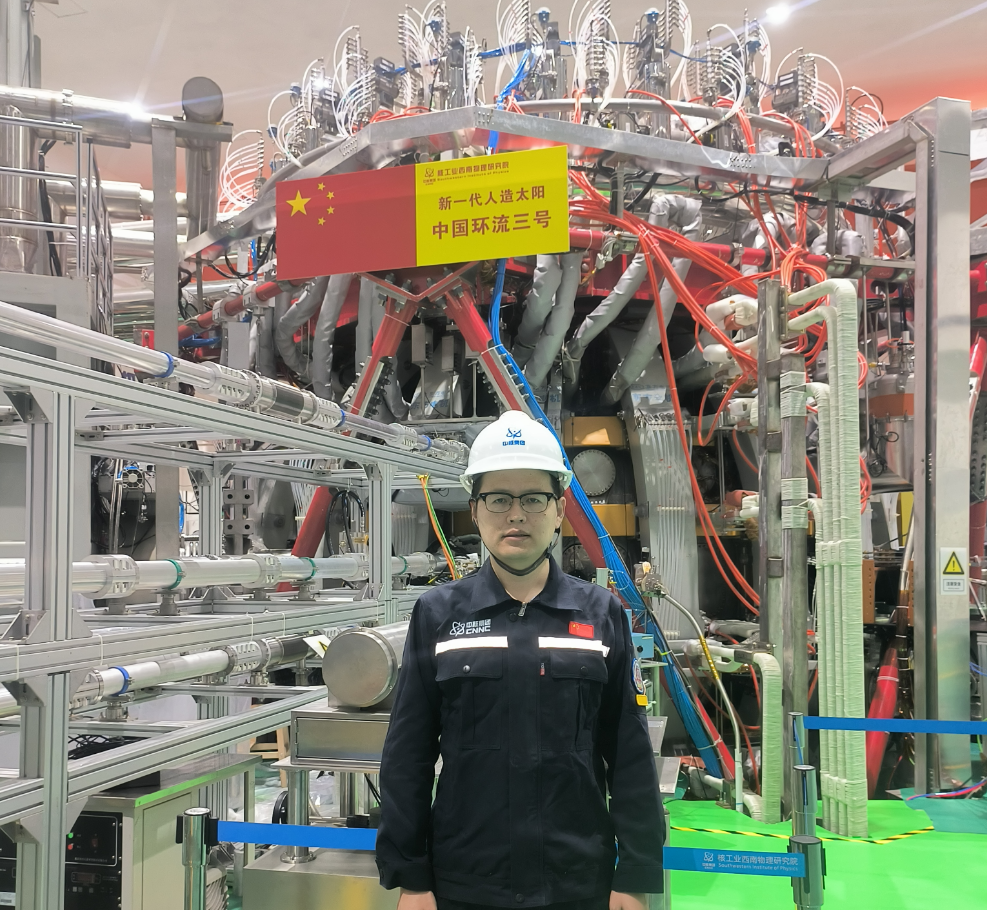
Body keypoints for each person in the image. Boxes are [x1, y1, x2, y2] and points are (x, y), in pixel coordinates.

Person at [376, 410, 664, 910]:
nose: (516, 515)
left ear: (559, 509)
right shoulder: (437, 614)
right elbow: (408, 755)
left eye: (533, 498)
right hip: (466, 881)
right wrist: (412, 879)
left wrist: (636, 872)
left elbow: (630, 754)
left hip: (577, 881)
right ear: (475, 510)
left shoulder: (602, 614)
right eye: (498, 499)